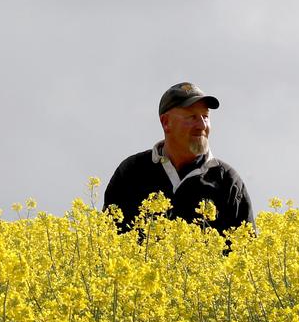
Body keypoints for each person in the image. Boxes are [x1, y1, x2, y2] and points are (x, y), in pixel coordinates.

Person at [103, 82, 253, 233]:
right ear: (166, 122)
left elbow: (245, 250)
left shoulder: (228, 182)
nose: (201, 125)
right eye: (192, 117)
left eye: (205, 116)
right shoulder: (132, 172)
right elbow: (107, 241)